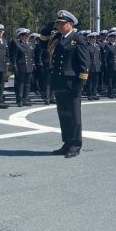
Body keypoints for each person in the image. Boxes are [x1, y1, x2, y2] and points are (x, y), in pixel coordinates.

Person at [39, 10, 90, 158]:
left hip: (72, 84)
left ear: (71, 24)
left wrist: (80, 86)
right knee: (64, 115)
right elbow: (42, 43)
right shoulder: (55, 38)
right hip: (59, 82)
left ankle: (75, 144)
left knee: (74, 116)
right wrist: (49, 26)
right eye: (58, 23)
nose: (60, 26)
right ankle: (67, 142)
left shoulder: (77, 39)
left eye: (62, 23)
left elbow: (85, 64)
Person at [9, 28, 35, 106]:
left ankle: (25, 99)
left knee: (27, 84)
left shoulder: (30, 45)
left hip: (29, 67)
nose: (28, 37)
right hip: (21, 67)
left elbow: (32, 56)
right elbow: (14, 56)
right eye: (26, 36)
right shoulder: (18, 44)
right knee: (20, 84)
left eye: (28, 36)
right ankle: (19, 100)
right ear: (21, 36)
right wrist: (14, 66)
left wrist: (33, 65)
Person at [34, 31, 52, 105]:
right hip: (46, 65)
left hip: (54, 66)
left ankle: (52, 97)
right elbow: (39, 56)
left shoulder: (55, 44)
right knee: (47, 83)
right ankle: (47, 98)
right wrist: (41, 65)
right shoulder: (44, 45)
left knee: (53, 83)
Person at [104, 31, 116, 98]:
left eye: (115, 37)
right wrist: (106, 67)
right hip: (110, 66)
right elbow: (105, 58)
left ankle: (115, 92)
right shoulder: (107, 46)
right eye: (112, 37)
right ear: (110, 38)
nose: (114, 38)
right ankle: (110, 93)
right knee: (110, 80)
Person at [86, 32, 103, 100]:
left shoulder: (97, 46)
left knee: (95, 82)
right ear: (89, 39)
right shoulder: (88, 47)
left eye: (95, 38)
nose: (94, 39)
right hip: (91, 67)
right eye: (93, 38)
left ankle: (94, 93)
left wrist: (100, 64)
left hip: (97, 67)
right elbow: (87, 58)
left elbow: (99, 57)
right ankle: (89, 94)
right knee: (90, 82)